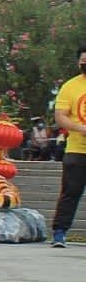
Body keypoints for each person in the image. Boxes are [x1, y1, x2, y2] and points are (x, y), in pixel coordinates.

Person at [50, 44, 86, 248]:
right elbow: (60, 116)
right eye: (83, 62)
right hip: (77, 150)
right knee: (70, 192)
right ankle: (59, 232)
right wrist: (79, 127)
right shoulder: (70, 86)